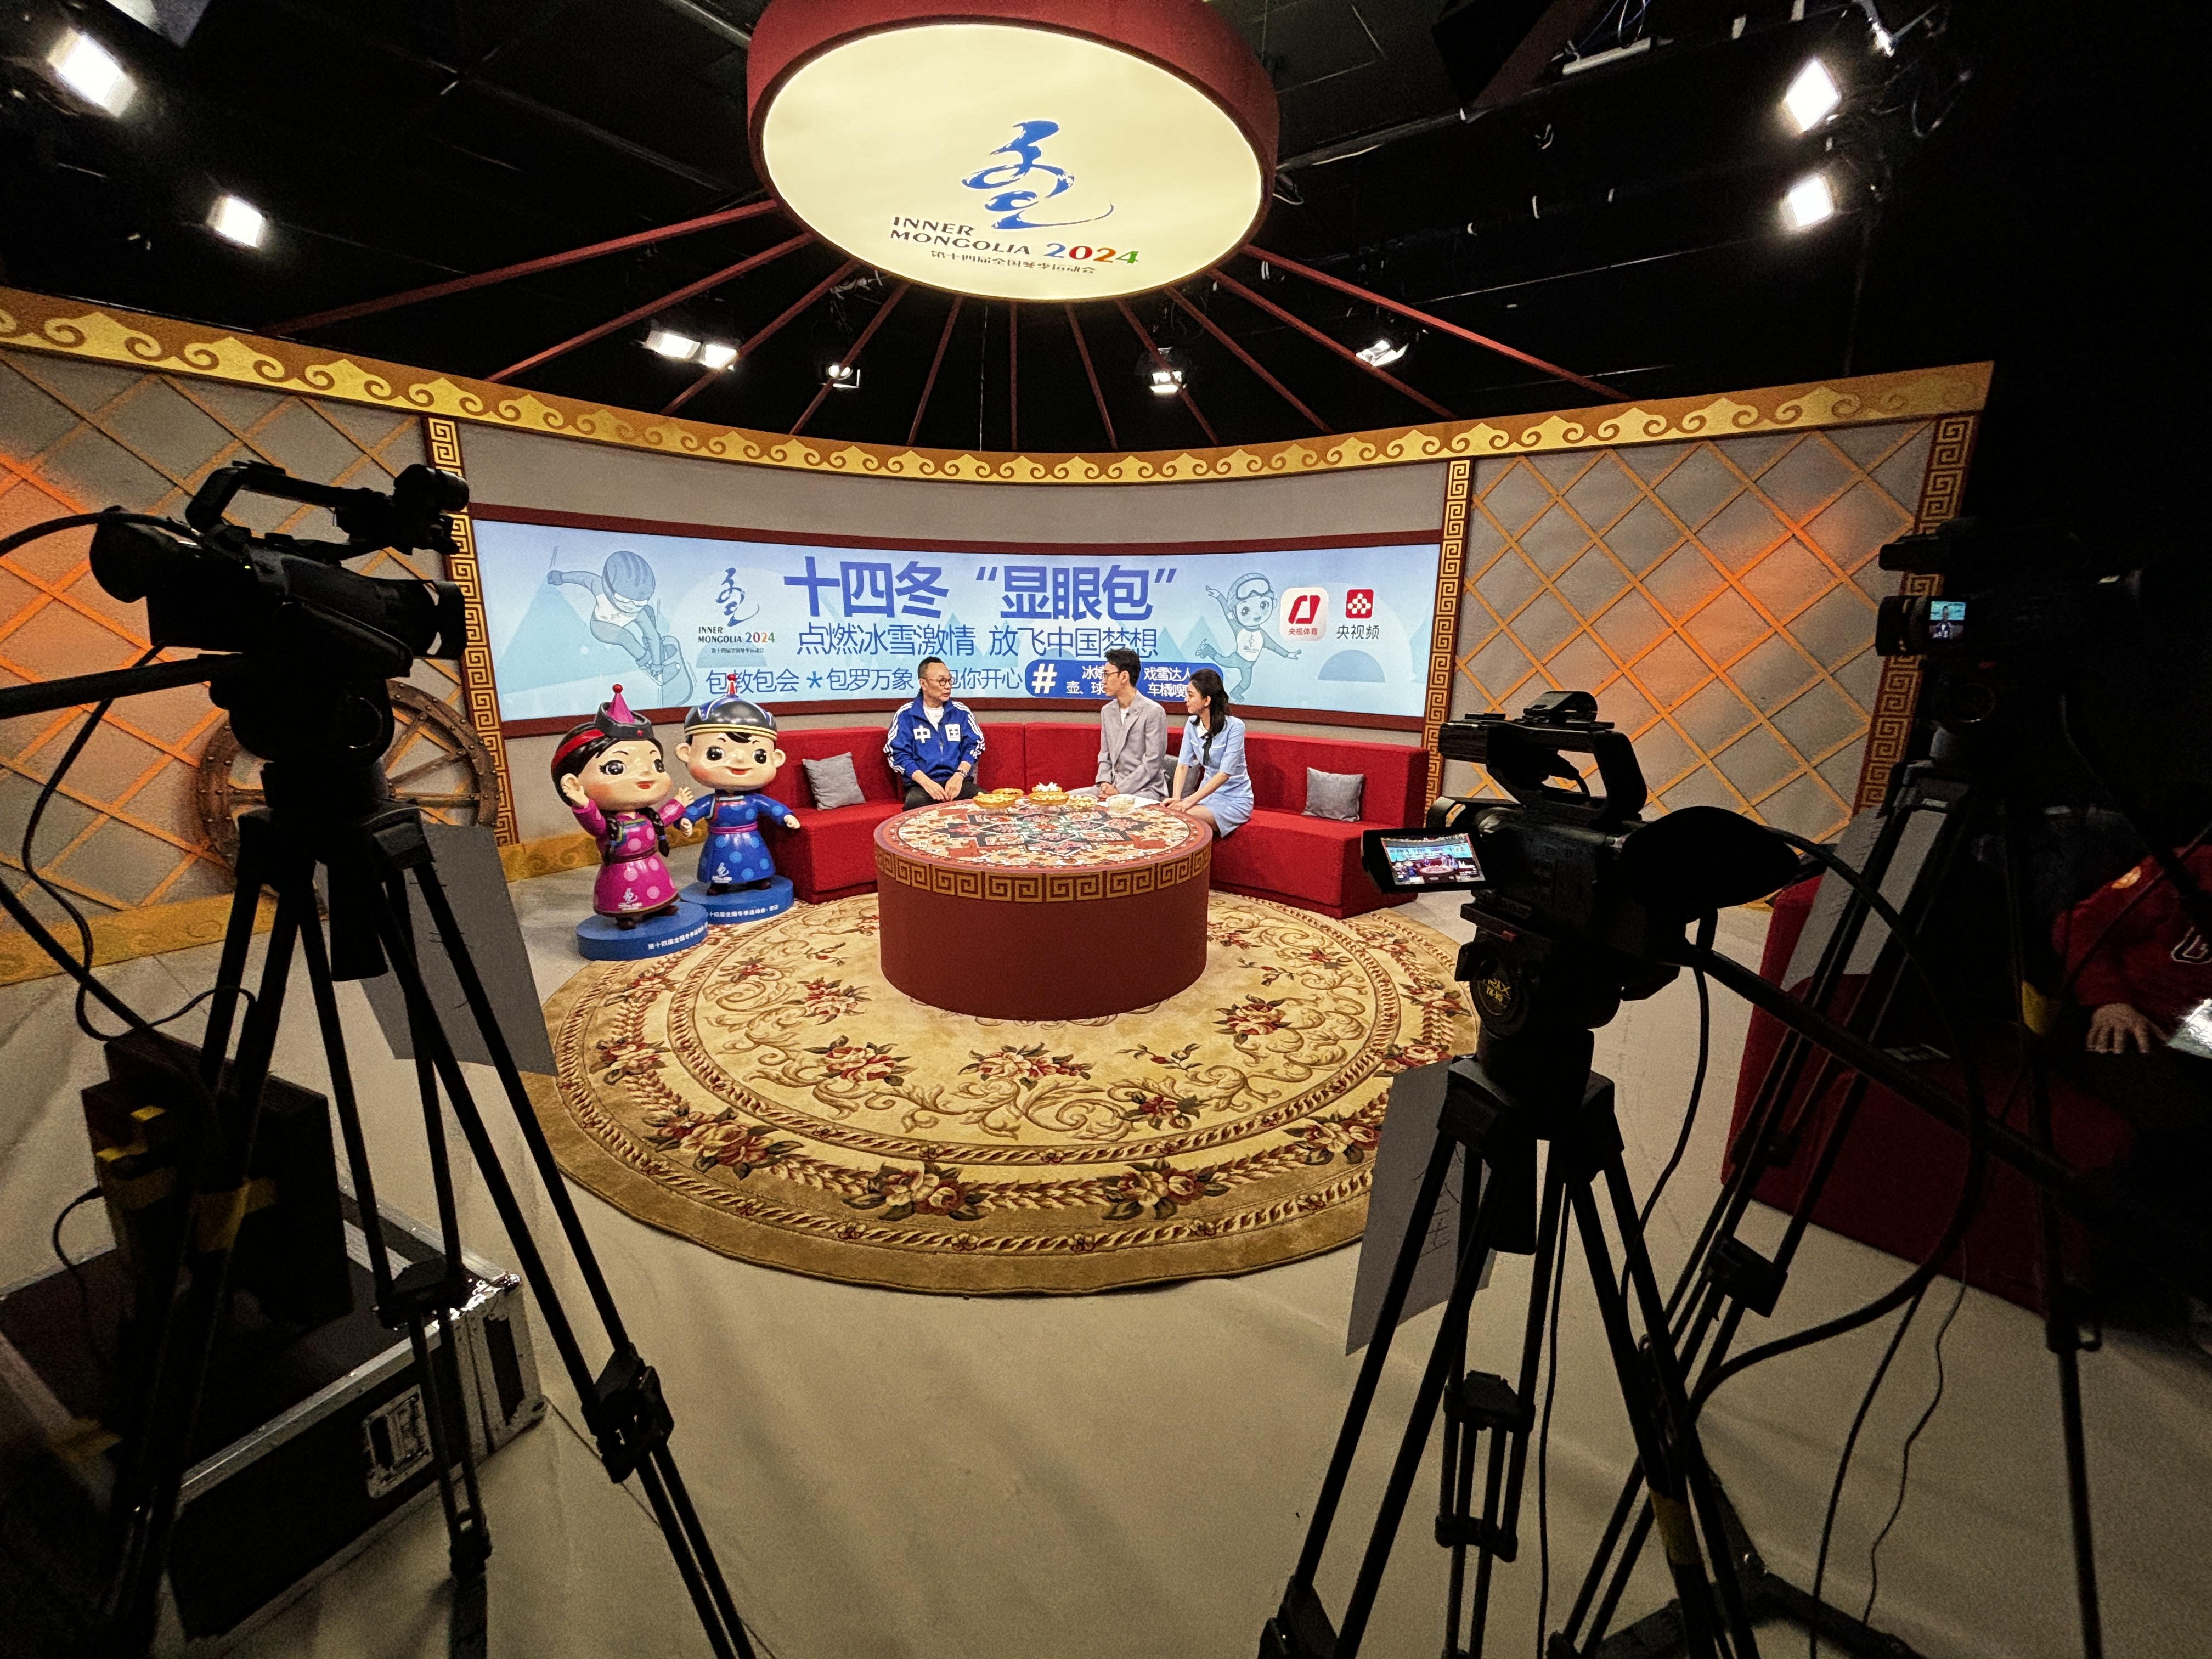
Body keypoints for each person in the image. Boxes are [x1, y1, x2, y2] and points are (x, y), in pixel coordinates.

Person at [2051, 839, 2212, 1352]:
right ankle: (2137, 1285)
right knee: (2178, 1128)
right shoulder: (2194, 866)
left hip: (2192, 1042)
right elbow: (2078, 925)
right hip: (2116, 1016)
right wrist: (2109, 1000)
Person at [551, 684, 693, 927]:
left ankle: (660, 905)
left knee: (657, 885)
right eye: (616, 768)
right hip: (620, 870)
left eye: (657, 765)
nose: (647, 774)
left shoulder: (646, 817)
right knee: (624, 893)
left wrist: (678, 804)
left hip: (650, 864)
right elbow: (596, 826)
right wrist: (584, 805)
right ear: (574, 782)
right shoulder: (610, 824)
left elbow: (663, 818)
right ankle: (625, 914)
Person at [676, 694, 802, 893]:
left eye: (759, 756)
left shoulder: (754, 799)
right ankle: (719, 883)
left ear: (776, 758)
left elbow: (771, 807)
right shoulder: (713, 802)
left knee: (755, 860)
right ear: (687, 753)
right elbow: (695, 810)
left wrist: (786, 816)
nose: (740, 761)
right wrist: (686, 820)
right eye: (715, 753)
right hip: (720, 841)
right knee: (720, 864)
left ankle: (758, 880)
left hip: (750, 839)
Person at [886, 657, 984, 809]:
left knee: (987, 804)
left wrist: (959, 776)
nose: (948, 686)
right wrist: (927, 784)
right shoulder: (906, 715)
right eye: (942, 681)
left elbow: (975, 745)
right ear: (924, 684)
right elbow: (898, 755)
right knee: (915, 806)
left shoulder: (961, 712)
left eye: (950, 680)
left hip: (958, 782)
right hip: (921, 786)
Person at [1165, 666, 1252, 837]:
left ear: (1207, 700)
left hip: (1234, 800)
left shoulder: (1235, 727)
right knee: (1171, 812)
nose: (1186, 699)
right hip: (1206, 796)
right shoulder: (1192, 724)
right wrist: (1177, 798)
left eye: (1191, 695)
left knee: (1182, 818)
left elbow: (1224, 774)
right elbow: (1183, 765)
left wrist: (1189, 801)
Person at [1092, 647, 1167, 802]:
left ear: (1124, 676)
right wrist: (1105, 782)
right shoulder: (1107, 711)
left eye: (1107, 675)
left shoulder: (1154, 711)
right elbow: (1105, 754)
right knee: (1068, 801)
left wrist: (1120, 790)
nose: (1103, 681)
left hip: (1144, 789)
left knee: (1118, 807)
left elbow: (1152, 763)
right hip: (1111, 785)